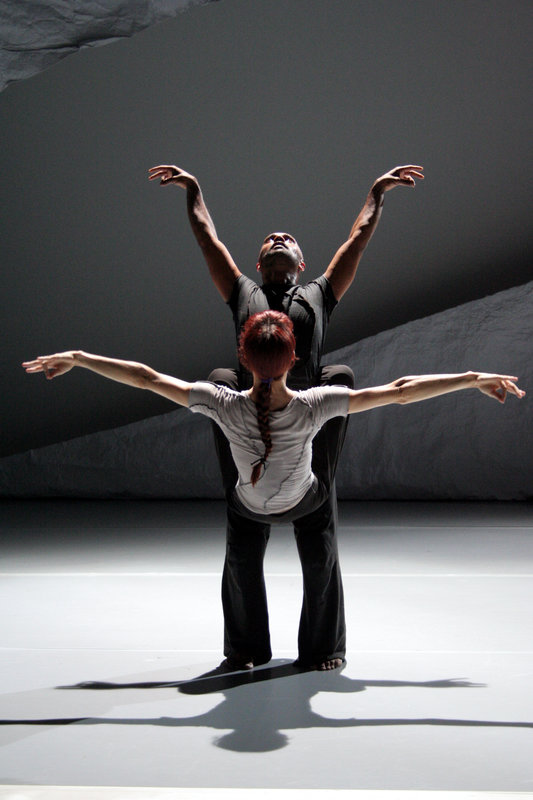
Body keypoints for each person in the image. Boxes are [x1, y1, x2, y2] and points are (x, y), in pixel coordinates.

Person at [23, 311, 525, 670]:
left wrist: (79, 357)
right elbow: (400, 392)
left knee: (241, 554)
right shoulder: (315, 403)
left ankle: (244, 651)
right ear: (295, 359)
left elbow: (146, 379)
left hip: (249, 506)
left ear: (243, 357)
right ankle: (323, 650)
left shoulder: (218, 401)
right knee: (321, 543)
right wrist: (472, 378)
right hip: (306, 501)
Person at [148, 162, 425, 670]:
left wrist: (376, 194)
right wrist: (194, 190)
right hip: (247, 421)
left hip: (307, 422)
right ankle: (247, 647)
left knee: (338, 377)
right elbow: (209, 240)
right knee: (220, 380)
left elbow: (356, 241)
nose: (279, 238)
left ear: (300, 262)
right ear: (259, 263)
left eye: (288, 239)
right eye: (270, 239)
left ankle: (322, 646)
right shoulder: (244, 294)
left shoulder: (317, 295)